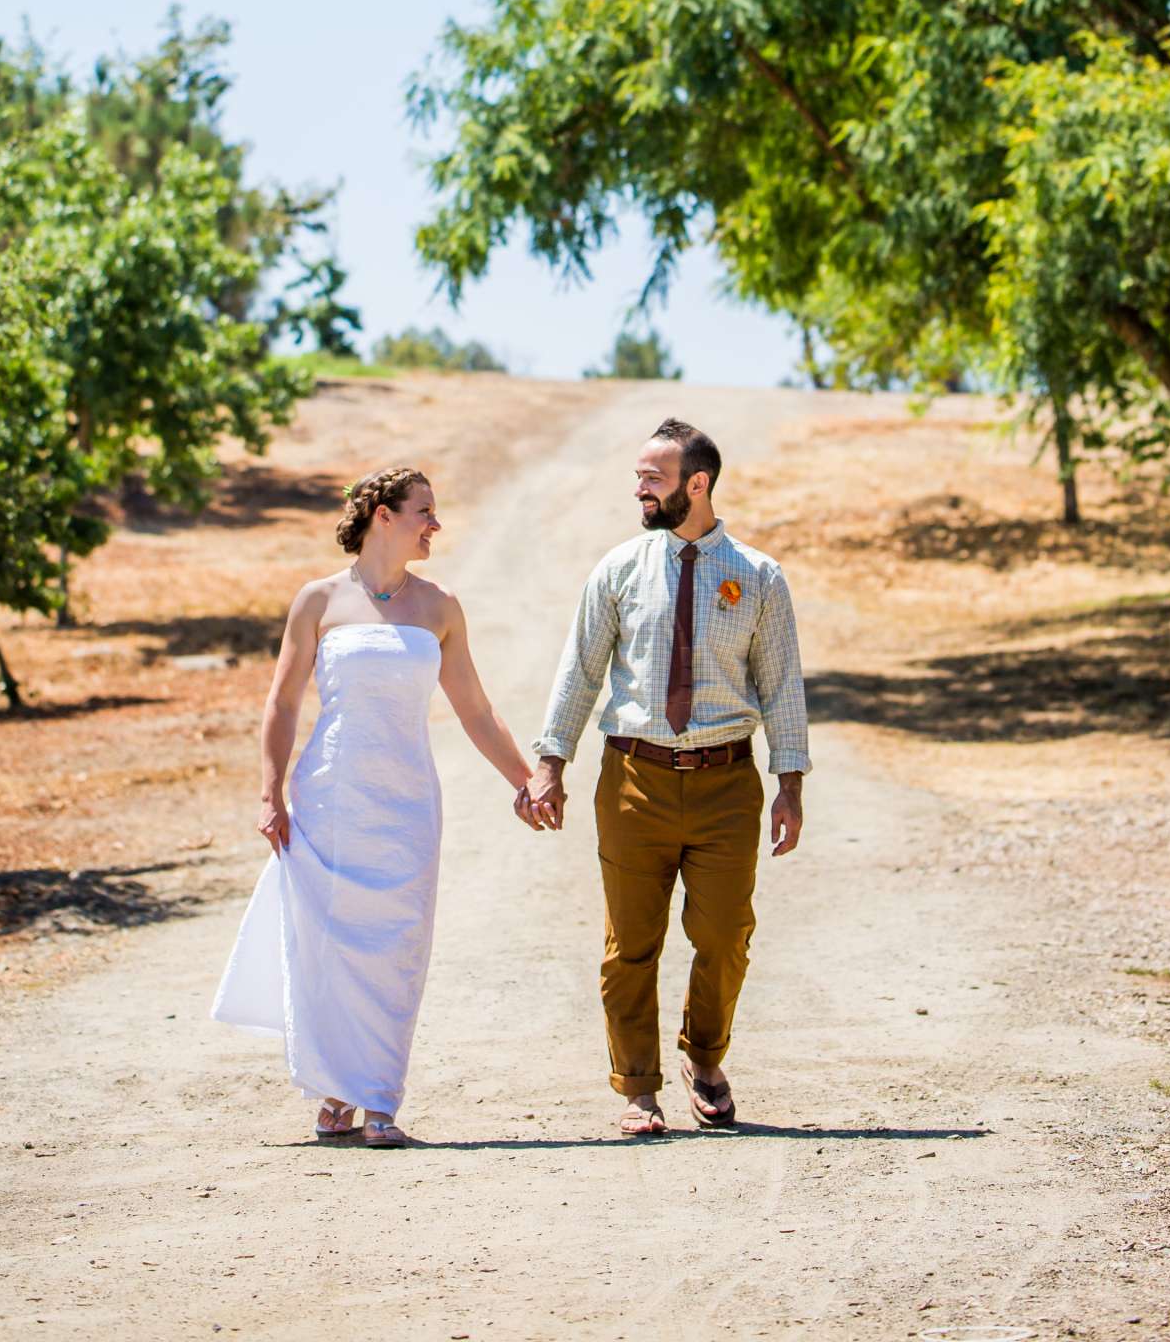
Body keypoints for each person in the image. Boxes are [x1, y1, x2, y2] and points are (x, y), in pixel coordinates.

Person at [212, 464, 542, 1144]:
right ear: (382, 516)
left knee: (397, 946)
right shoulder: (318, 601)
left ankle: (381, 1097)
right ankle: (335, 1093)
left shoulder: (440, 607)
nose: (435, 524)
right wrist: (270, 792)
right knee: (329, 947)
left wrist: (524, 778)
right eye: (424, 510)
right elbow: (282, 702)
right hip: (331, 796)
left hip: (407, 802)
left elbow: (475, 708)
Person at [518, 416, 810, 1135]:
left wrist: (790, 784)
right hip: (633, 781)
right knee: (631, 943)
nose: (639, 488)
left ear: (697, 483)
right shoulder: (618, 571)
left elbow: (781, 687)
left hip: (726, 785)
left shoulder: (759, 576)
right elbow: (581, 670)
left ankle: (704, 1058)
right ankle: (638, 1088)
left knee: (725, 934)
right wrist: (551, 763)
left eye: (653, 477)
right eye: (640, 476)